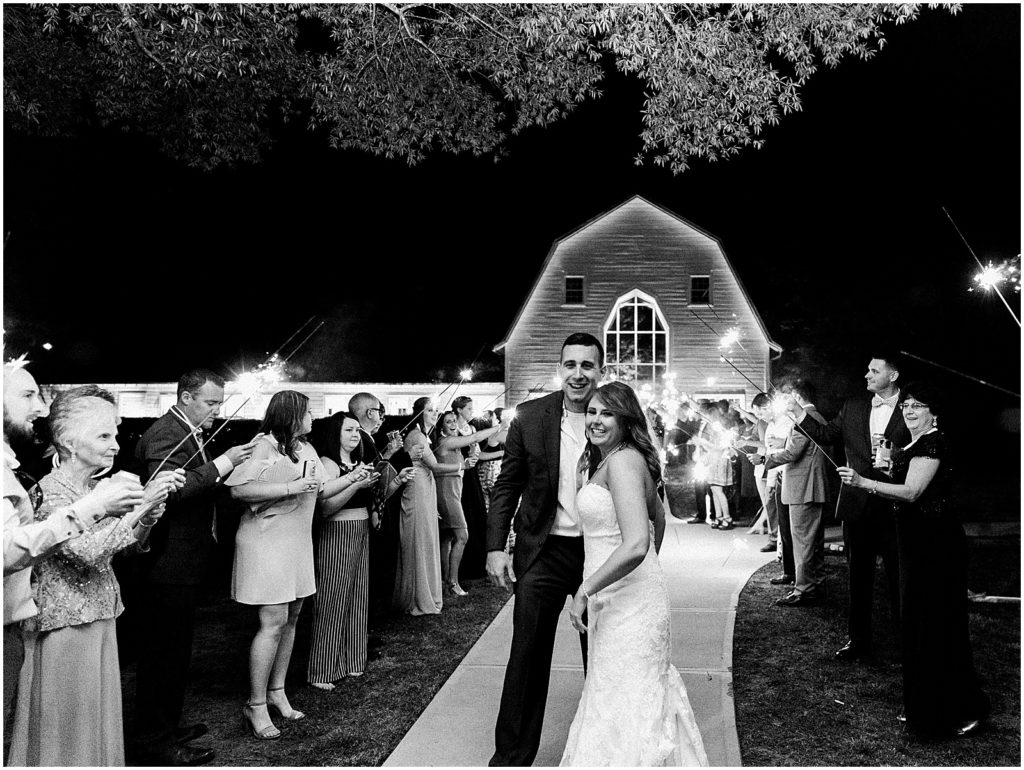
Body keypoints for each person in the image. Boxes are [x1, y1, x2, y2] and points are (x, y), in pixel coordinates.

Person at [8, 386, 185, 766]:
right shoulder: (50, 493)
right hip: (65, 628)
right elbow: (88, 553)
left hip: (100, 616)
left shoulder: (89, 489)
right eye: (104, 435)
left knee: (96, 715)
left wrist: (145, 521)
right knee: (69, 726)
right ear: (69, 442)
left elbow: (121, 548)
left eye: (116, 434)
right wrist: (141, 508)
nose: (116, 446)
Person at [560, 381, 707, 766]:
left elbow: (639, 542)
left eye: (606, 413)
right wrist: (642, 577)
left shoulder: (623, 461)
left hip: (626, 604)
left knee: (627, 697)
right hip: (622, 596)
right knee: (616, 693)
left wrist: (586, 589)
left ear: (626, 420)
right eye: (591, 411)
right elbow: (657, 520)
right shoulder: (613, 458)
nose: (595, 420)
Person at [837, 382, 989, 738]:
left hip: (936, 546)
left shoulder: (934, 441)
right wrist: (888, 468)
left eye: (918, 406)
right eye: (907, 405)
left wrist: (864, 481)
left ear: (934, 413)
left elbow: (913, 492)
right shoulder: (913, 444)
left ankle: (963, 708)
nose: (909, 410)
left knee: (938, 625)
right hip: (915, 542)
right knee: (918, 625)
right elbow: (908, 482)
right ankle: (925, 704)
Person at [132, 369, 263, 766]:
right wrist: (223, 463)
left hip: (186, 560)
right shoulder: (165, 432)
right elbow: (169, 491)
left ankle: (167, 725)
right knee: (162, 654)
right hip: (166, 562)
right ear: (186, 398)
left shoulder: (187, 429)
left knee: (176, 651)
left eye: (218, 403)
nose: (216, 410)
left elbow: (198, 486)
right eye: (210, 403)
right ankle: (155, 740)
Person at [485, 332, 601, 766]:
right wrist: (495, 547)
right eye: (570, 364)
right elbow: (507, 485)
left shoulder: (612, 416)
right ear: (560, 368)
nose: (578, 374)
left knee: (605, 655)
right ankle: (512, 757)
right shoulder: (531, 417)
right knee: (527, 657)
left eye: (587, 365)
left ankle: (602, 749)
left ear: (599, 371)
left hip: (599, 557)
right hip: (542, 553)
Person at [227, 390, 361, 740]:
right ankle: (255, 704)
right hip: (266, 541)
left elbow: (320, 490)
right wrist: (291, 486)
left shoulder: (306, 448)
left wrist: (355, 477)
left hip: (296, 541)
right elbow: (238, 491)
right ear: (290, 414)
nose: (313, 417)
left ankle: (277, 692)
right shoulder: (262, 445)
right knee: (272, 620)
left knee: (293, 616)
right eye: (308, 411)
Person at [789, 353, 909, 661]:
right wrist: (799, 416)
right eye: (867, 369)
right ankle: (858, 641)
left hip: (896, 503)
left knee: (900, 577)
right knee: (859, 577)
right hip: (857, 505)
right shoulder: (854, 406)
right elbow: (826, 435)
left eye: (874, 370)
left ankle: (904, 642)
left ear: (892, 376)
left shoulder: (912, 406)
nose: (866, 375)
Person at [306, 411, 412, 690]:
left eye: (356, 431)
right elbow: (326, 508)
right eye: (348, 431)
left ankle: (353, 660)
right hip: (337, 533)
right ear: (335, 435)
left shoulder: (359, 462)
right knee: (332, 599)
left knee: (356, 597)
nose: (354, 435)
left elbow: (375, 498)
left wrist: (397, 481)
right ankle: (323, 669)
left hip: (362, 530)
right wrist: (354, 482)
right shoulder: (328, 464)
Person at [346, 393, 422, 648]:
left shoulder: (366, 439)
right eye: (380, 410)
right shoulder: (359, 439)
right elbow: (369, 473)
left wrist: (389, 453)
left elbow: (375, 466)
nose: (382, 415)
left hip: (375, 506)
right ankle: (363, 631)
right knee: (373, 572)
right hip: (369, 511)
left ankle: (366, 629)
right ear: (369, 412)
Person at [765, 380, 829, 607]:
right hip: (812, 486)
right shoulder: (817, 417)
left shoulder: (805, 420)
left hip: (803, 489)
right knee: (813, 542)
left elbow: (793, 453)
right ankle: (817, 583)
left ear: (798, 398)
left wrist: (767, 458)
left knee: (802, 542)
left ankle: (803, 590)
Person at [432, 407, 501, 595]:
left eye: (455, 420)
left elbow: (469, 459)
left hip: (454, 492)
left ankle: (445, 582)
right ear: (441, 427)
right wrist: (499, 426)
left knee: (447, 538)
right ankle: (453, 582)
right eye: (449, 422)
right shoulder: (445, 442)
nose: (454, 424)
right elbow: (474, 437)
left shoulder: (453, 445)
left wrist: (471, 455)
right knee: (462, 536)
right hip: (446, 495)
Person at [392, 397, 450, 616]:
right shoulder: (416, 435)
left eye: (437, 410)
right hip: (416, 489)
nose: (435, 414)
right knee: (419, 537)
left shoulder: (425, 435)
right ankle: (417, 597)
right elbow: (434, 465)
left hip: (425, 487)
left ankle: (425, 592)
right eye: (430, 410)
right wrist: (461, 466)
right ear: (419, 413)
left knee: (426, 536)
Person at [451, 395, 498, 581]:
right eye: (469, 408)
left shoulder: (470, 428)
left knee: (478, 517)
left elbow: (477, 453)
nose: (472, 412)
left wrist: (475, 452)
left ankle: (478, 564)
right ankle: (461, 568)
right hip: (459, 475)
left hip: (472, 475)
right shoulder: (453, 428)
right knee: (465, 516)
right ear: (459, 410)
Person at [476, 408, 509, 513]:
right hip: (493, 470)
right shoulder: (498, 434)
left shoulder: (480, 435)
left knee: (486, 505)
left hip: (481, 472)